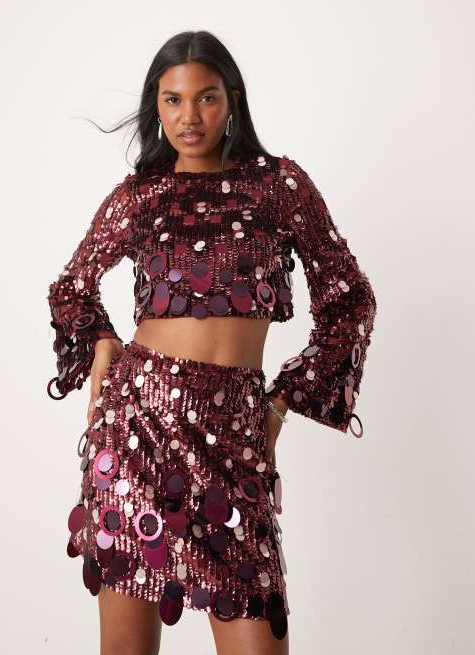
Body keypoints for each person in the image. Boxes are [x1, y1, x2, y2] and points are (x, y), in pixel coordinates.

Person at [46, 30, 377, 655]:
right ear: (156, 106)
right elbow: (71, 288)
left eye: (206, 97)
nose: (189, 117)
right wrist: (101, 342)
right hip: (138, 428)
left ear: (232, 100)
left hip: (235, 435)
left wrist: (281, 401)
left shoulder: (279, 186)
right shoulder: (141, 195)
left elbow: (349, 299)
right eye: (172, 100)